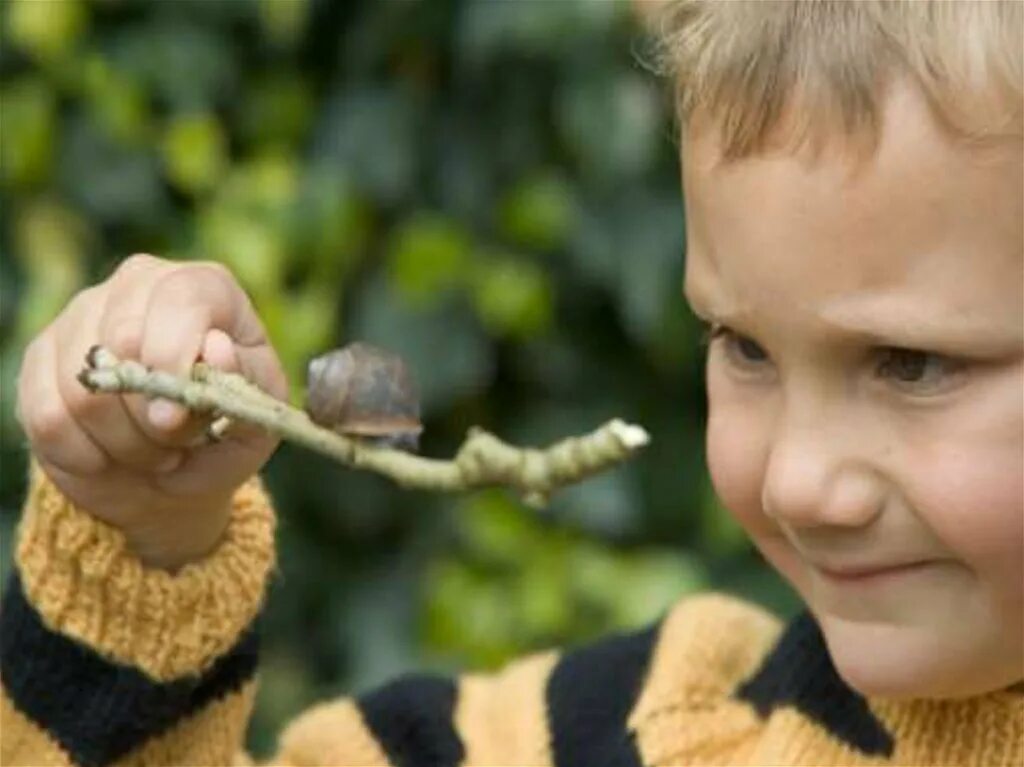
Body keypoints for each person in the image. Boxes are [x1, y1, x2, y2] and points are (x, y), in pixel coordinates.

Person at [2, 1, 1021, 765]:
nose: (797, 481)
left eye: (912, 364)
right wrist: (140, 544)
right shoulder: (638, 728)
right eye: (743, 345)